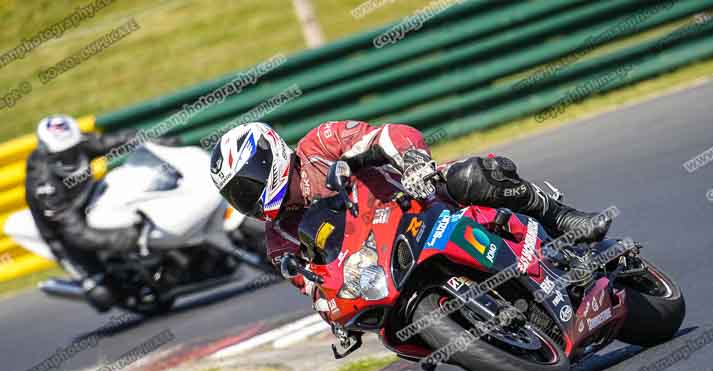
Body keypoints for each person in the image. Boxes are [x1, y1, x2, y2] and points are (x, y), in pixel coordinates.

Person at [209, 121, 611, 288]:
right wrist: (336, 315)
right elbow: (315, 287)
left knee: (472, 175)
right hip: (386, 261)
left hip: (421, 200)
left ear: (269, 157)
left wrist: (415, 164)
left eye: (248, 184)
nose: (247, 198)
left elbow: (388, 135)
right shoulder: (279, 238)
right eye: (237, 194)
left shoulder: (321, 144)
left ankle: (560, 217)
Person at [25, 115, 142, 310]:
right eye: (63, 153)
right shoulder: (43, 181)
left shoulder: (78, 141)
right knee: (102, 296)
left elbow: (114, 141)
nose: (69, 155)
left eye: (72, 150)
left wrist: (153, 140)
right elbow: (74, 231)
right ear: (46, 149)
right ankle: (96, 282)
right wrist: (116, 239)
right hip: (62, 233)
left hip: (89, 201)